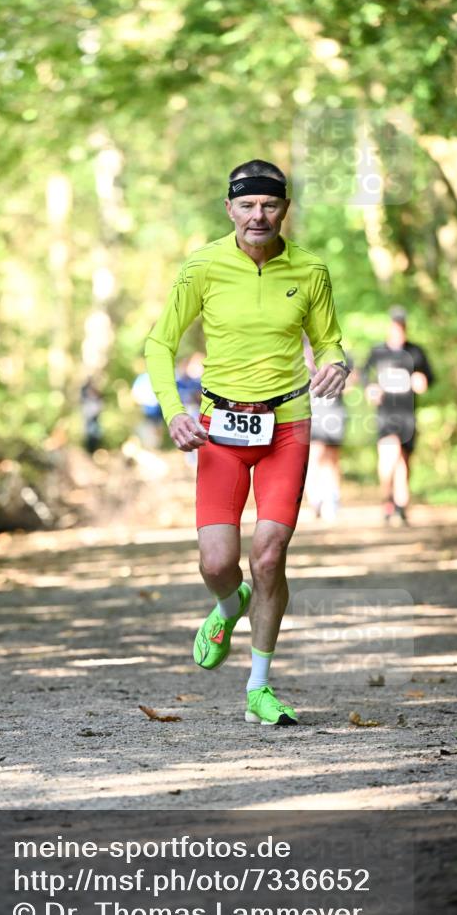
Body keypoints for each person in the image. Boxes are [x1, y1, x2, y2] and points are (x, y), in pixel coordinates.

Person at [144, 159, 350, 726]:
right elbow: (159, 343)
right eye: (247, 205)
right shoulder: (204, 266)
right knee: (217, 562)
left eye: (270, 205)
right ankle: (226, 604)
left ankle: (259, 685)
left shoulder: (310, 270)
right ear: (229, 207)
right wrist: (173, 411)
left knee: (269, 556)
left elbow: (329, 342)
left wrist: (337, 365)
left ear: (285, 208)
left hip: (288, 424)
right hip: (220, 428)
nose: (258, 215)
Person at [363, 306, 434, 525]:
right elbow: (365, 375)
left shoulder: (416, 352)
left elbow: (428, 378)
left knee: (404, 460)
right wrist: (370, 389)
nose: (398, 331)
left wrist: (421, 381)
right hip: (386, 414)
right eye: (395, 327)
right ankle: (387, 499)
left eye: (402, 327)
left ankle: (401, 505)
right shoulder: (378, 352)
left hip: (407, 414)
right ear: (389, 328)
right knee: (388, 456)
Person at [303, 335, 352, 522]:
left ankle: (331, 499)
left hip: (334, 416)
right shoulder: (300, 370)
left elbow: (350, 383)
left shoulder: (334, 361)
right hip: (313, 417)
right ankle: (316, 500)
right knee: (315, 457)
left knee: (332, 459)